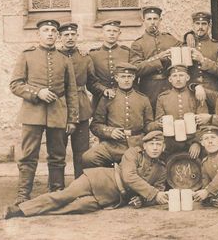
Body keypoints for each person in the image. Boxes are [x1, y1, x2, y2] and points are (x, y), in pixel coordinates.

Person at [3, 131, 168, 219]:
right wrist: (152, 194)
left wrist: (144, 200)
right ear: (144, 146)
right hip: (97, 180)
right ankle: (18, 210)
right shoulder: (132, 153)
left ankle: (39, 212)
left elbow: (158, 192)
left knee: (75, 208)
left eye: (158, 144)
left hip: (111, 198)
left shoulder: (162, 169)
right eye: (151, 144)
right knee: (63, 196)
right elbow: (129, 177)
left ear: (163, 147)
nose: (154, 148)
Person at [9, 19, 79, 204]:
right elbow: (15, 85)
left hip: (58, 113)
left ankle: (57, 192)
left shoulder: (64, 59)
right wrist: (37, 92)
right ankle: (23, 194)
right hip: (32, 113)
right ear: (37, 34)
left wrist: (72, 119)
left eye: (53, 31)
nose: (50, 33)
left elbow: (71, 90)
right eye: (46, 30)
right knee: (28, 155)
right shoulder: (27, 55)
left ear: (57, 35)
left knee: (58, 155)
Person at [82, 63, 155, 168]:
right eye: (123, 76)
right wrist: (110, 132)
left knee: (136, 168)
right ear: (116, 78)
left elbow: (148, 125)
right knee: (89, 157)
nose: (126, 80)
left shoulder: (143, 99)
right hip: (113, 145)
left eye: (129, 76)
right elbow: (95, 125)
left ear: (134, 77)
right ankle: (107, 179)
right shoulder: (108, 98)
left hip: (136, 145)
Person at [58, 22, 101, 178]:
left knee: (81, 151)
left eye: (72, 35)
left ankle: (80, 184)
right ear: (59, 37)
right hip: (60, 108)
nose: (69, 38)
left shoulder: (84, 57)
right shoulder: (55, 57)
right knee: (58, 151)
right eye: (66, 35)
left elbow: (92, 83)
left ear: (77, 36)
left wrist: (105, 90)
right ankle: (57, 187)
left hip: (81, 108)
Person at [130, 6, 182, 112]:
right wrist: (159, 59)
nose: (152, 22)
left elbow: (185, 49)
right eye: (149, 19)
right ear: (143, 21)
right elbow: (136, 69)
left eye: (155, 19)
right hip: (149, 88)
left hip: (169, 86)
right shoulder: (138, 44)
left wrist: (189, 34)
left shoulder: (169, 39)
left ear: (160, 20)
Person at [155, 65, 208, 159]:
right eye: (175, 76)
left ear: (187, 78)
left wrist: (197, 142)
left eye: (181, 75)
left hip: (192, 140)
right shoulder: (162, 97)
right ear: (170, 79)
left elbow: (204, 123)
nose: (178, 79)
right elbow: (159, 121)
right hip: (170, 143)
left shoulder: (196, 95)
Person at [89, 19, 131, 109]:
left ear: (119, 33)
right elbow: (91, 81)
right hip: (100, 99)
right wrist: (103, 89)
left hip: (123, 99)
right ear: (102, 33)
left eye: (115, 31)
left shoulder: (127, 53)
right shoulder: (93, 54)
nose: (112, 34)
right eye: (108, 31)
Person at [185, 11, 218, 93]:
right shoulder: (185, 45)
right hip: (190, 90)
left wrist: (202, 60)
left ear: (209, 25)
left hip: (212, 90)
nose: (200, 27)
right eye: (197, 23)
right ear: (193, 26)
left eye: (204, 24)